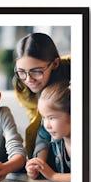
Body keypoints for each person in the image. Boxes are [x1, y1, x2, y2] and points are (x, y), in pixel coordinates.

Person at [13, 32, 70, 161]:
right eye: (21, 72)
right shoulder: (22, 87)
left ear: (55, 64)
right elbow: (39, 126)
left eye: (36, 71)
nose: (28, 80)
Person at [25, 81, 71, 182]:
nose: (47, 125)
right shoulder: (57, 138)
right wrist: (36, 169)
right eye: (44, 118)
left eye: (51, 118)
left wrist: (53, 176)